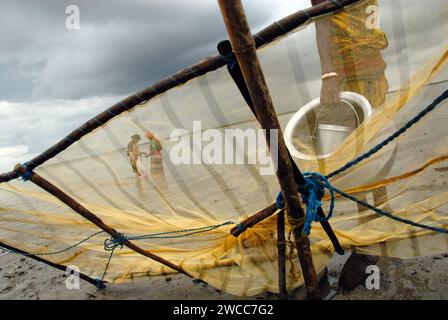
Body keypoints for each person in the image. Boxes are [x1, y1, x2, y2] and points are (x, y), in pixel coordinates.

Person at [311, 0, 389, 293]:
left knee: (376, 148)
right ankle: (369, 233)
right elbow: (321, 21)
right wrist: (328, 74)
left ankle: (378, 231)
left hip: (373, 69)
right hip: (346, 73)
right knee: (357, 154)